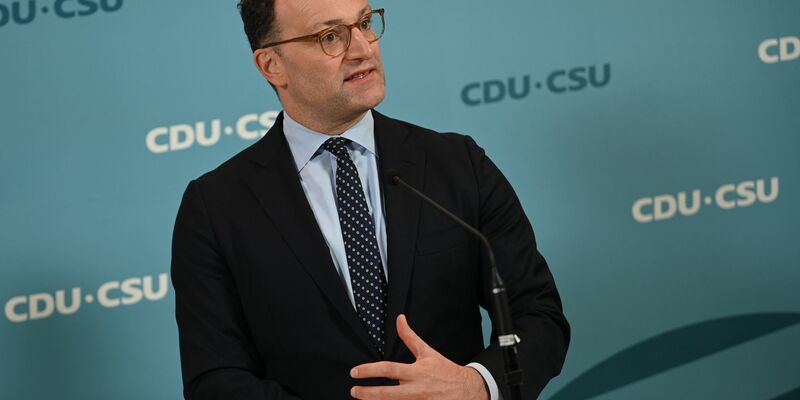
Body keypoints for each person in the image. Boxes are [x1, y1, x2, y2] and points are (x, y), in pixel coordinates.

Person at [170, 0, 570, 398]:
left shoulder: (458, 164)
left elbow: (538, 315)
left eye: (364, 23)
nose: (362, 48)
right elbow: (216, 380)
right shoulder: (215, 208)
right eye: (330, 36)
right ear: (271, 64)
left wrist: (477, 384)